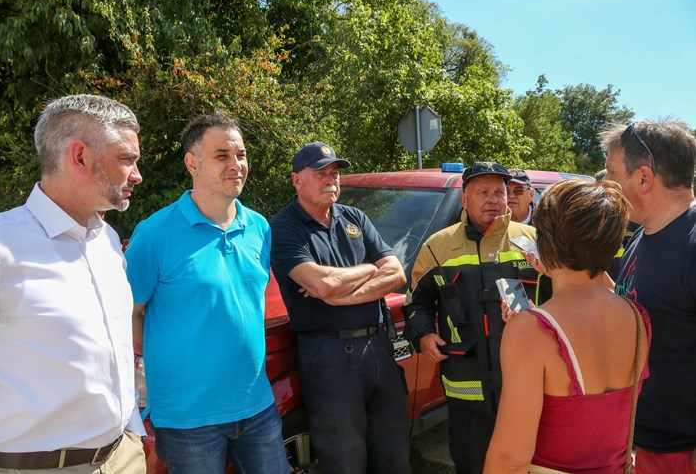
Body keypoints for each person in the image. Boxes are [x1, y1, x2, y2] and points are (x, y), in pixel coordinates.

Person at [0, 94, 146, 473]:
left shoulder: (107, 240)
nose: (137, 175)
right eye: (126, 159)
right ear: (79, 156)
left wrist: (131, 434)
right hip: (27, 466)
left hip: (122, 457)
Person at [124, 114, 288, 474]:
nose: (236, 165)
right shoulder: (154, 235)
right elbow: (128, 315)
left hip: (257, 406)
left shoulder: (259, 227)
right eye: (222, 156)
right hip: (187, 419)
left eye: (241, 155)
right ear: (192, 163)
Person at [484, 178, 651, 473]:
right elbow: (597, 294)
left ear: (545, 242)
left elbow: (510, 458)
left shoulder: (531, 331)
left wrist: (528, 325)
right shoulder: (637, 317)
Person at [270, 142, 411, 474]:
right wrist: (369, 268)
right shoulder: (285, 227)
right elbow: (322, 286)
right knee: (344, 460)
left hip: (378, 347)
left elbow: (398, 273)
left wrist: (341, 293)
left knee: (394, 454)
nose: (330, 179)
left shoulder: (355, 218)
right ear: (296, 180)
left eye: (334, 172)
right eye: (320, 173)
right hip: (328, 355)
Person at [402, 161, 551, 474]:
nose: (494, 199)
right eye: (483, 192)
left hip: (525, 381)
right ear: (464, 199)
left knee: (529, 463)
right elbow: (417, 301)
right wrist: (423, 334)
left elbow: (563, 297)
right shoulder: (438, 246)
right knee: (471, 463)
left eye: (500, 191)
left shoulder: (535, 240)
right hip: (465, 384)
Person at [601, 120, 696, 474]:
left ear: (643, 178)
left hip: (681, 454)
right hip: (645, 442)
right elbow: (638, 306)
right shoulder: (641, 235)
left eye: (612, 173)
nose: (606, 185)